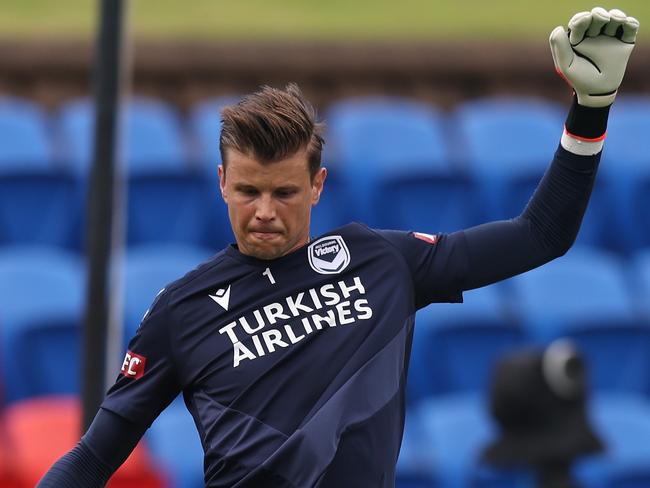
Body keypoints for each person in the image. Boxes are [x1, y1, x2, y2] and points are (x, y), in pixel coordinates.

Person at [38, 7, 638, 487]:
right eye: (247, 191)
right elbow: (93, 459)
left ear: (318, 186)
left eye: (285, 192)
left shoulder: (384, 261)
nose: (265, 211)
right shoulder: (181, 310)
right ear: (221, 183)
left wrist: (590, 111)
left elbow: (541, 236)